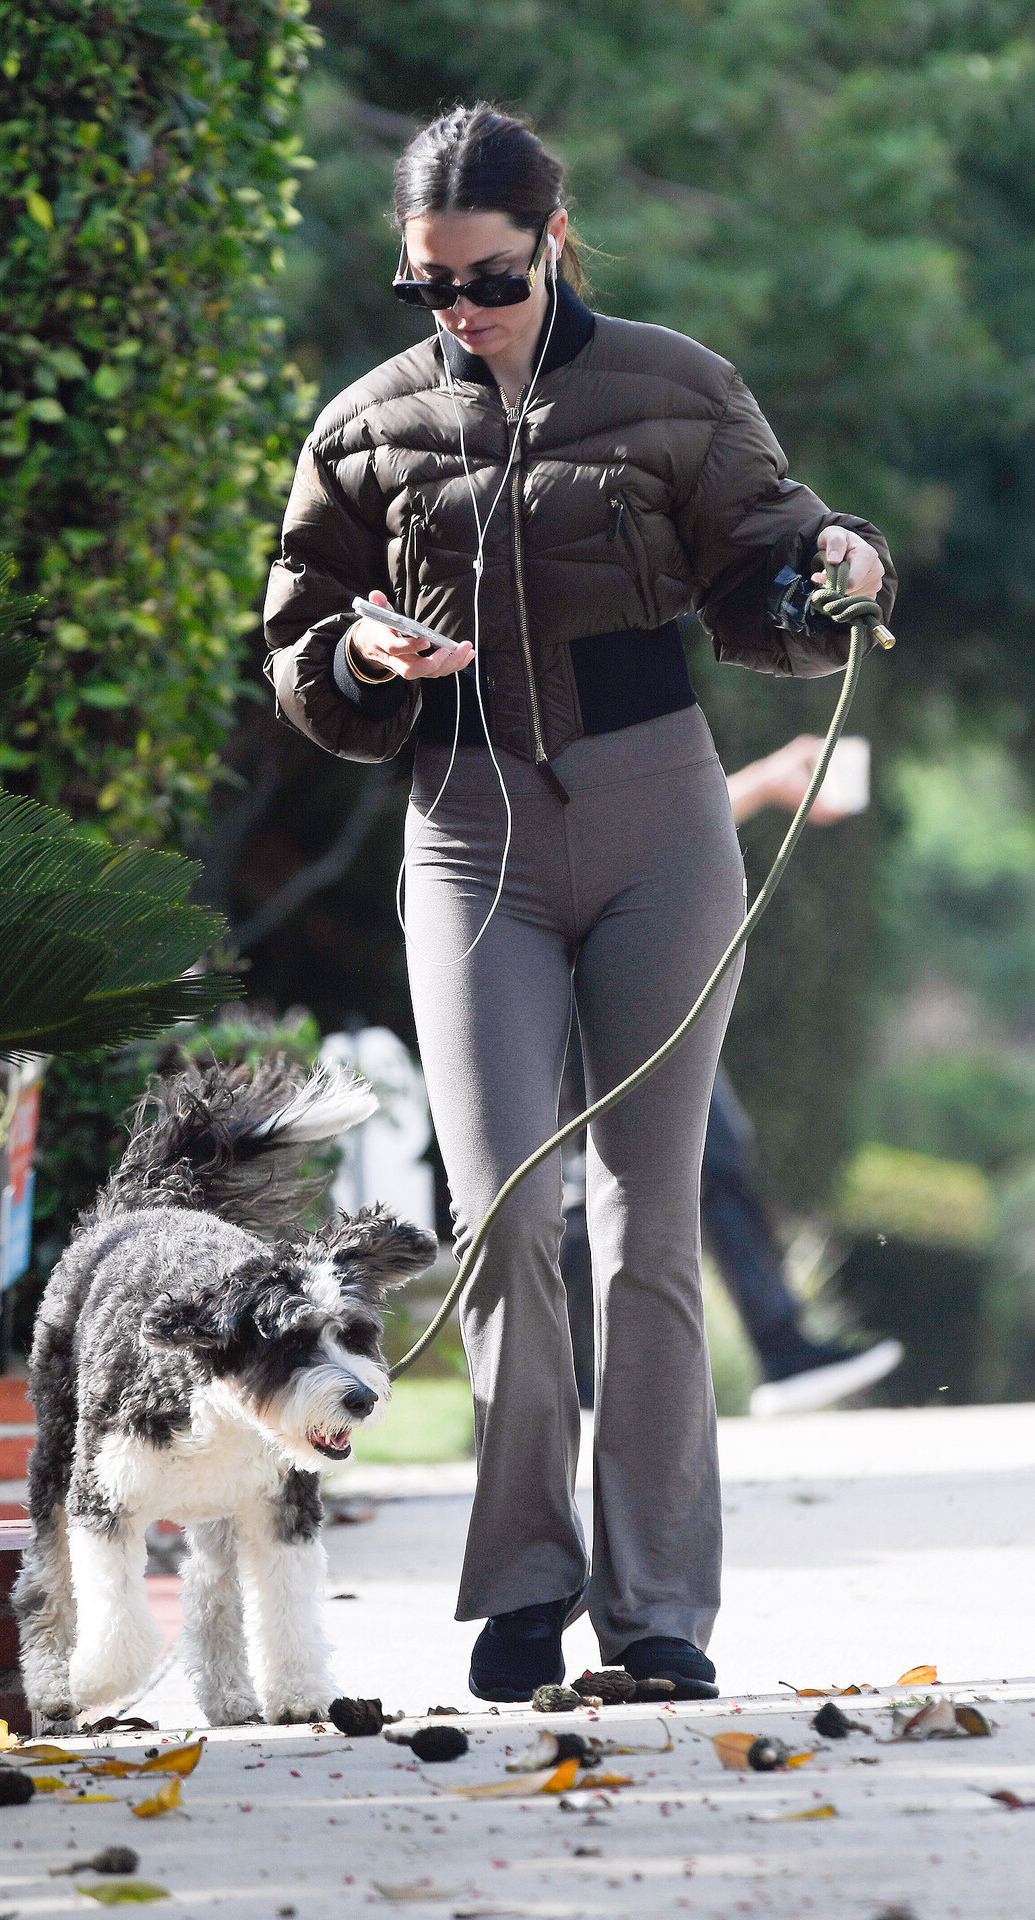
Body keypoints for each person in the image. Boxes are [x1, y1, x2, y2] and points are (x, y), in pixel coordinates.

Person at [263, 104, 895, 1704]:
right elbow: (298, 638)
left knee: (646, 1219)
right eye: (429, 286)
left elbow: (771, 566)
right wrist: (356, 658)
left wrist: (836, 569)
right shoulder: (364, 423)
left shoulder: (678, 386)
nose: (460, 309)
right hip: (466, 831)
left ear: (550, 240)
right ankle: (525, 1581)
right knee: (503, 1217)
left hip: (656, 819)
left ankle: (660, 1605)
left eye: (487, 277)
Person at [562, 736, 905, 1417]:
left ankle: (774, 1351)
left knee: (699, 1153)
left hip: (629, 961)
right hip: (569, 966)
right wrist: (768, 781)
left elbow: (652, 821)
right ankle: (575, 1382)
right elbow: (620, 834)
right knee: (589, 1176)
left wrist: (768, 781)